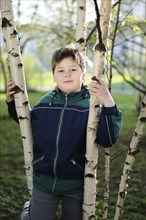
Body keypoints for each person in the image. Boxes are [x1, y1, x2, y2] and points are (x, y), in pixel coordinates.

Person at [6, 46, 122, 220]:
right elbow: (28, 124)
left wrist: (108, 103)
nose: (67, 74)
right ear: (54, 77)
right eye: (61, 70)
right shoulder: (46, 102)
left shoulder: (91, 106)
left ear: (83, 75)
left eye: (73, 69)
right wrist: (11, 102)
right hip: (43, 180)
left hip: (75, 182)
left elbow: (107, 139)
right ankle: (27, 212)